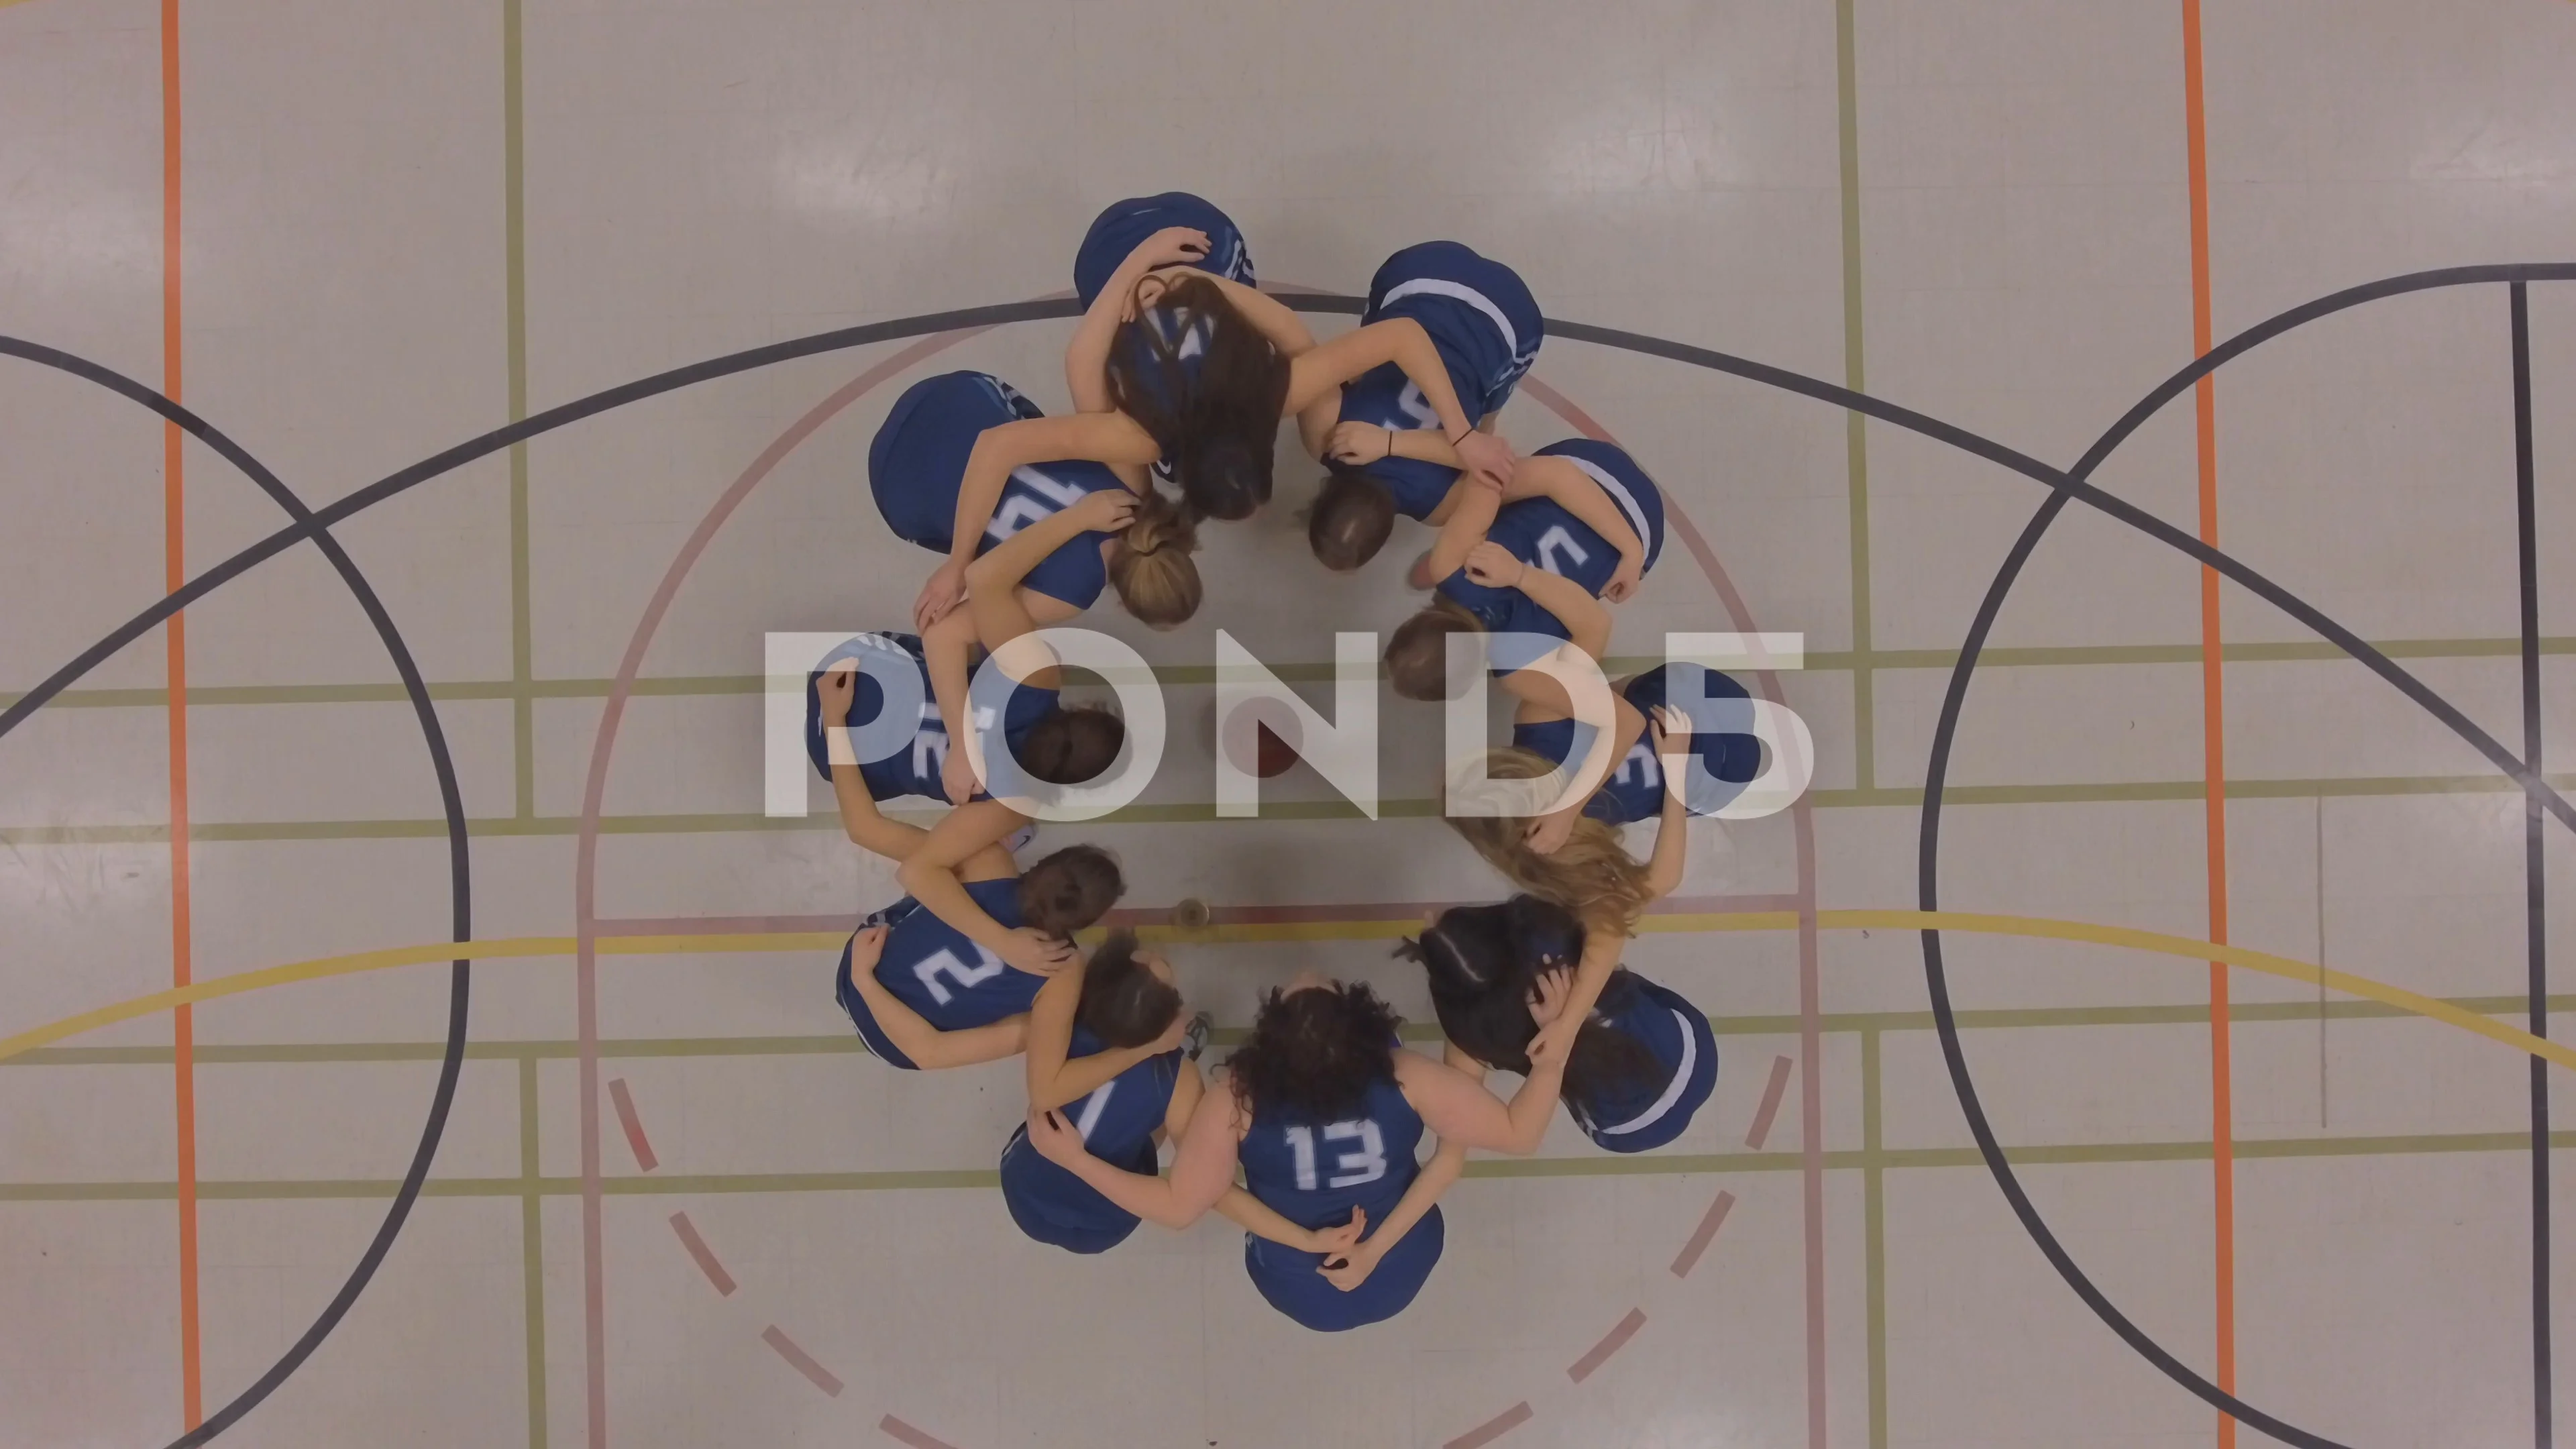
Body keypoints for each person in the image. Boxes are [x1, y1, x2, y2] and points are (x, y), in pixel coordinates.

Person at [923, 230, 1517, 589]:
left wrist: (1164, 272)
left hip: (1179, 257)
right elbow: (1079, 363)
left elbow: (1301, 329)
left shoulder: (1217, 413)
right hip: (1164, 259)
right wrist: (1166, 275)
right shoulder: (1176, 427)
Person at [1026, 970, 1571, 1331]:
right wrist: (1552, 1054)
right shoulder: (1405, 1074)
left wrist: (1077, 1159)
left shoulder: (1237, 1094)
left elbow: (1179, 1206)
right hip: (1403, 1260)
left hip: (1295, 1283)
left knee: (1211, 1181)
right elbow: (1519, 1135)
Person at [1301, 242, 1631, 576]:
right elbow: (1343, 353)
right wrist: (1387, 439)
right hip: (1423, 273)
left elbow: (1551, 474)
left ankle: (1479, 418)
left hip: (1510, 318)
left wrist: (1630, 551)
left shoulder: (1441, 508)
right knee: (1365, 349)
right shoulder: (1321, 431)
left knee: (1486, 425)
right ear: (1321, 499)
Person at [872, 369, 1202, 634]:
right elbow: (961, 621)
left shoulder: (1133, 481)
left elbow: (1084, 374)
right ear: (1127, 601)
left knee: (1052, 434)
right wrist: (959, 566)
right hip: (896, 488)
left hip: (944, 398)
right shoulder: (1068, 598)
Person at [1448, 709, 1698, 1043]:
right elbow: (1620, 700)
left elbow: (1661, 879)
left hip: (1696, 771)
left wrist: (1676, 774)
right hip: (1679, 719)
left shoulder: (1563, 858)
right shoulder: (1535, 719)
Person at [1400, 895, 1718, 1154]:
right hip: (1696, 1052)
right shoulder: (1542, 936)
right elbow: (1610, 908)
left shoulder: (1472, 1032)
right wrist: (1570, 1020)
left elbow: (1519, 1138)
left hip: (1631, 1131)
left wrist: (1552, 1057)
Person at [1381, 437, 1666, 705]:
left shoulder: (1520, 677)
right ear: (1418, 619)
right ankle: (1470, 530)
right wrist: (1518, 574)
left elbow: (1598, 626)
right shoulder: (1448, 565)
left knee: (1580, 619)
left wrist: (1525, 580)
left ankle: (1474, 529)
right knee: (1474, 496)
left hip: (1647, 528)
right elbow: (1495, 473)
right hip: (1594, 464)